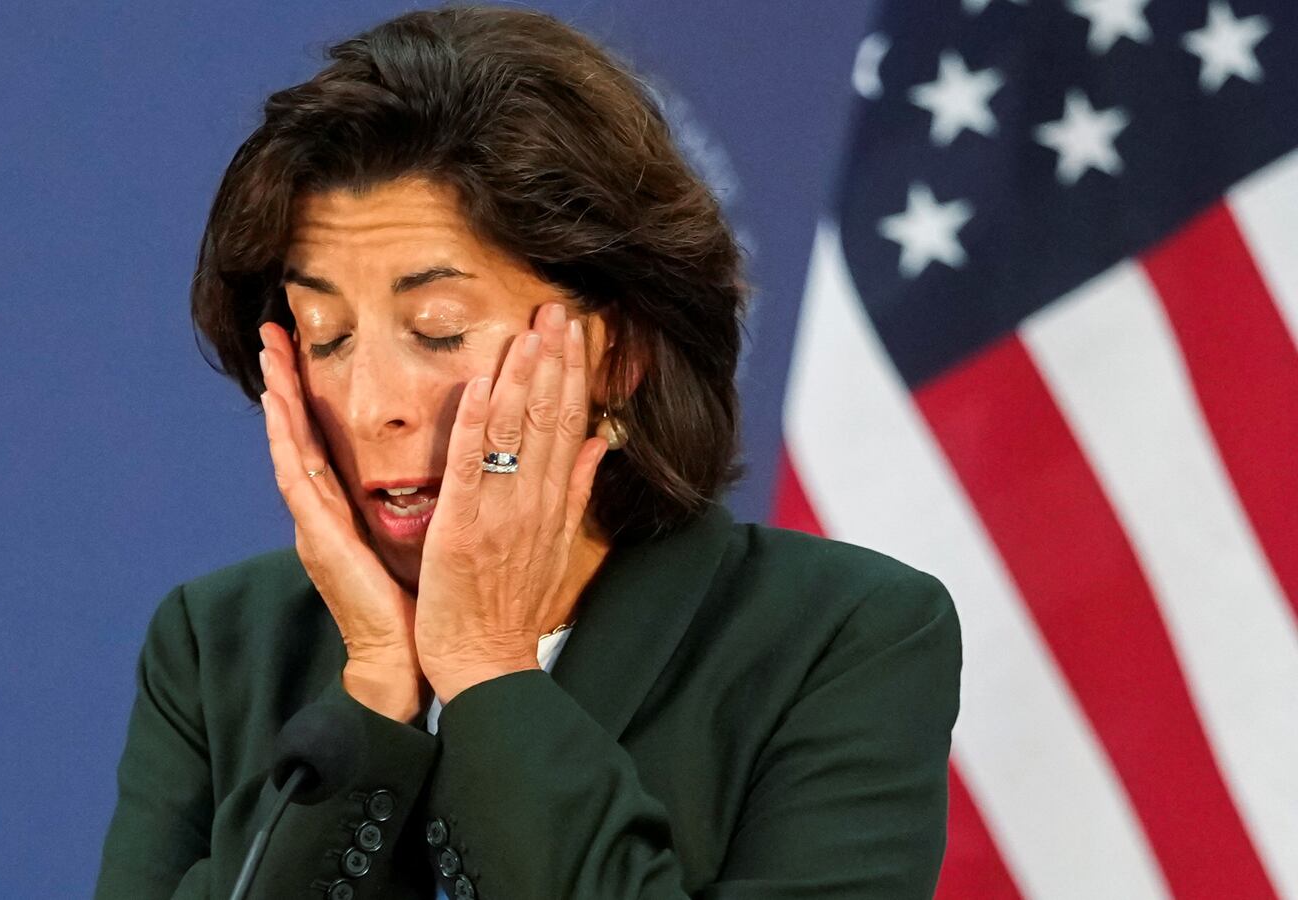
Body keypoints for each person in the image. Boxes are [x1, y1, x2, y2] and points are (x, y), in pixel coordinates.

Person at [95, 7, 961, 899]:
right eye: (327, 336)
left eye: (438, 329)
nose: (370, 406)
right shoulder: (219, 645)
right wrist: (374, 689)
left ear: (618, 354)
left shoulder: (841, 636)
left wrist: (485, 667)